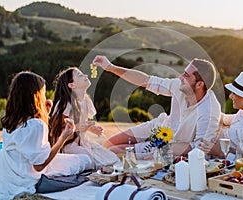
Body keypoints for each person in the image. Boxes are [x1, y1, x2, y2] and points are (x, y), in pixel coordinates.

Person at [92, 55, 221, 157]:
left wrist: (161, 153)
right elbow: (146, 80)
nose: (180, 77)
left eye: (186, 75)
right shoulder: (179, 86)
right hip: (159, 127)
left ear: (199, 85)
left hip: (169, 146)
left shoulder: (209, 110)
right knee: (109, 143)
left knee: (115, 150)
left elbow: (198, 148)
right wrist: (110, 67)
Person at [0, 71, 92, 200]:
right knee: (84, 160)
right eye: (42, 93)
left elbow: (30, 145)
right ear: (35, 96)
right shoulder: (35, 125)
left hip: (11, 176)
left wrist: (45, 115)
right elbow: (39, 166)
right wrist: (63, 137)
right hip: (28, 178)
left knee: (76, 161)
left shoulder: (10, 121)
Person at [49, 67, 120, 169]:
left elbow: (82, 123)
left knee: (112, 159)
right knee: (94, 162)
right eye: (80, 75)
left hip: (83, 141)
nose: (86, 76)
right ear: (72, 85)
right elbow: (57, 128)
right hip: (67, 145)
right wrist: (78, 127)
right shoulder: (66, 103)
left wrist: (90, 128)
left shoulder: (86, 100)